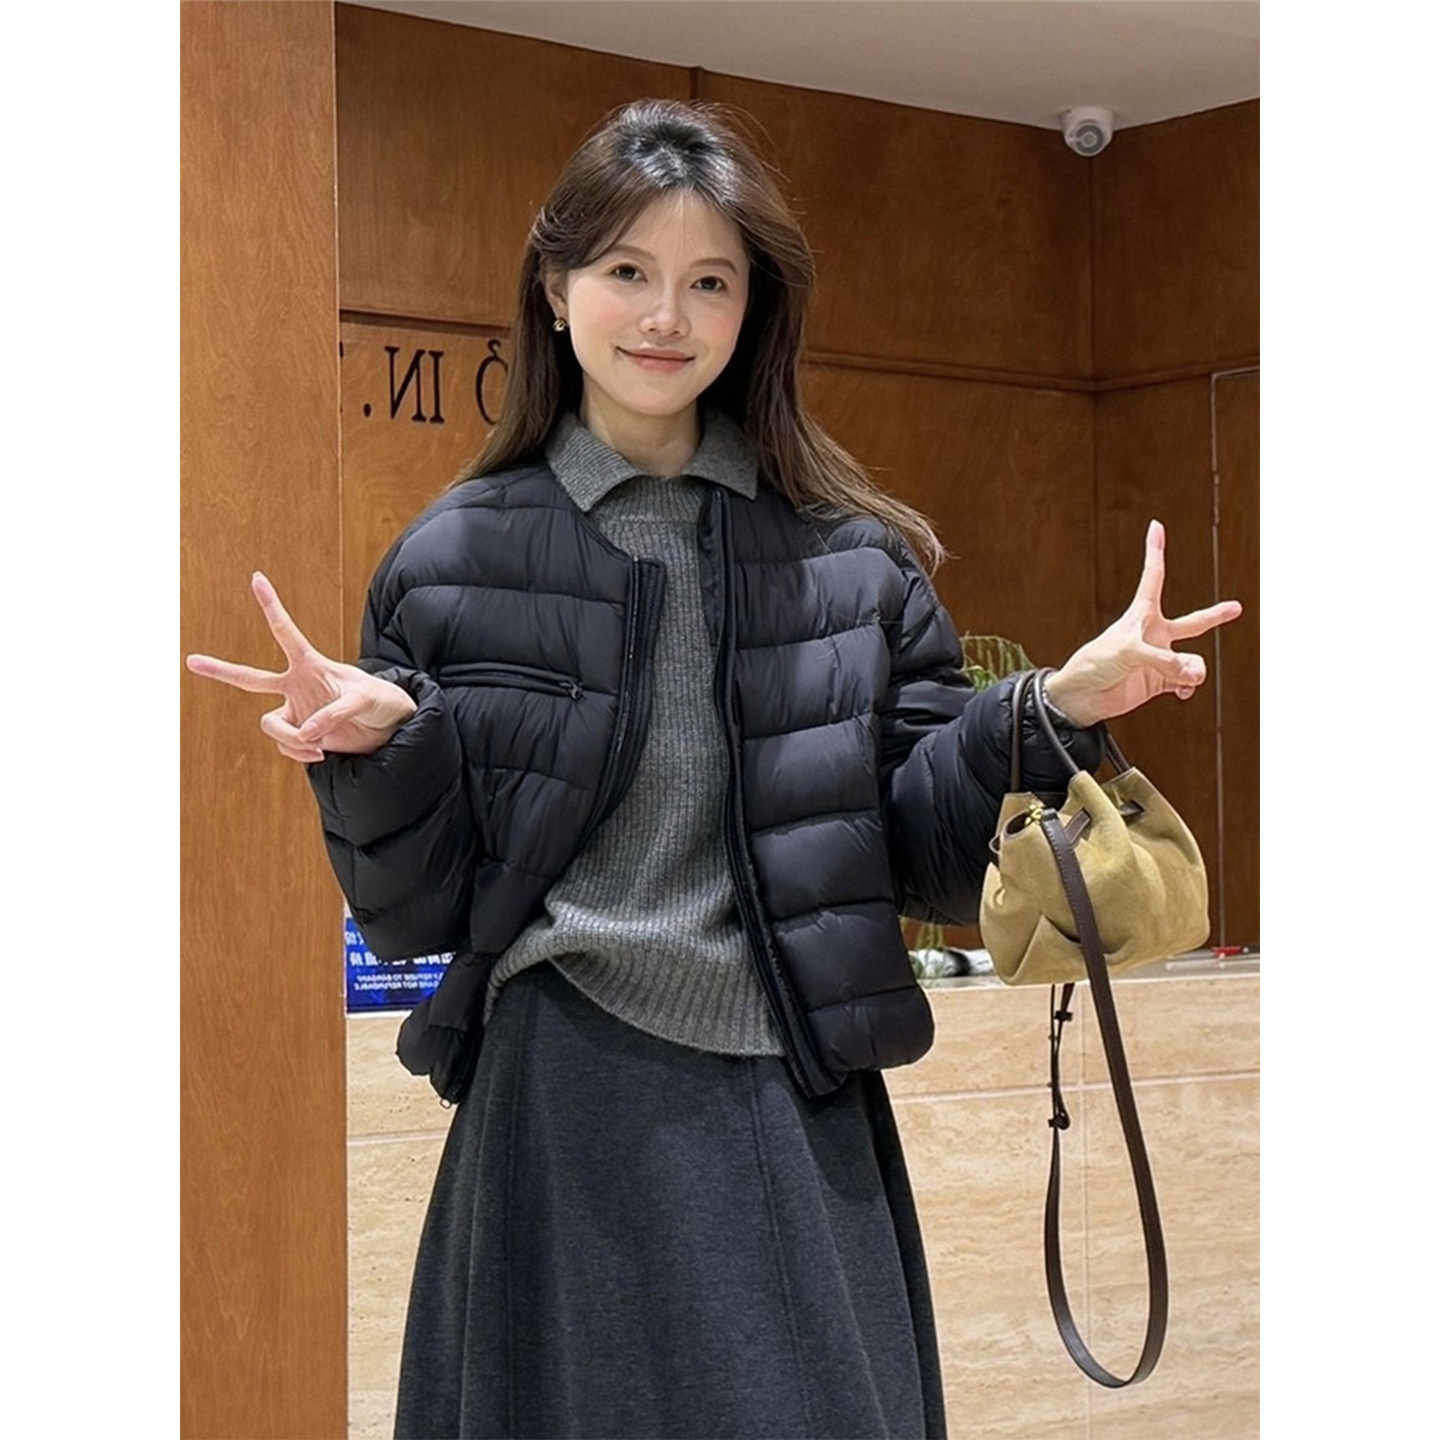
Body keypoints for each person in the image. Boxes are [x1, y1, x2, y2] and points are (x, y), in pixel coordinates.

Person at [186, 98, 1242, 1440]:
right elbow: (416, 914)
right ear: (555, 289)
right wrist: (383, 751)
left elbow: (920, 862)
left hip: (793, 1095)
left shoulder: (854, 560)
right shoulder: (450, 562)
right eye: (627, 270)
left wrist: (1051, 710)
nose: (664, 316)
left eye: (708, 282)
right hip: (557, 1105)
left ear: (756, 308)